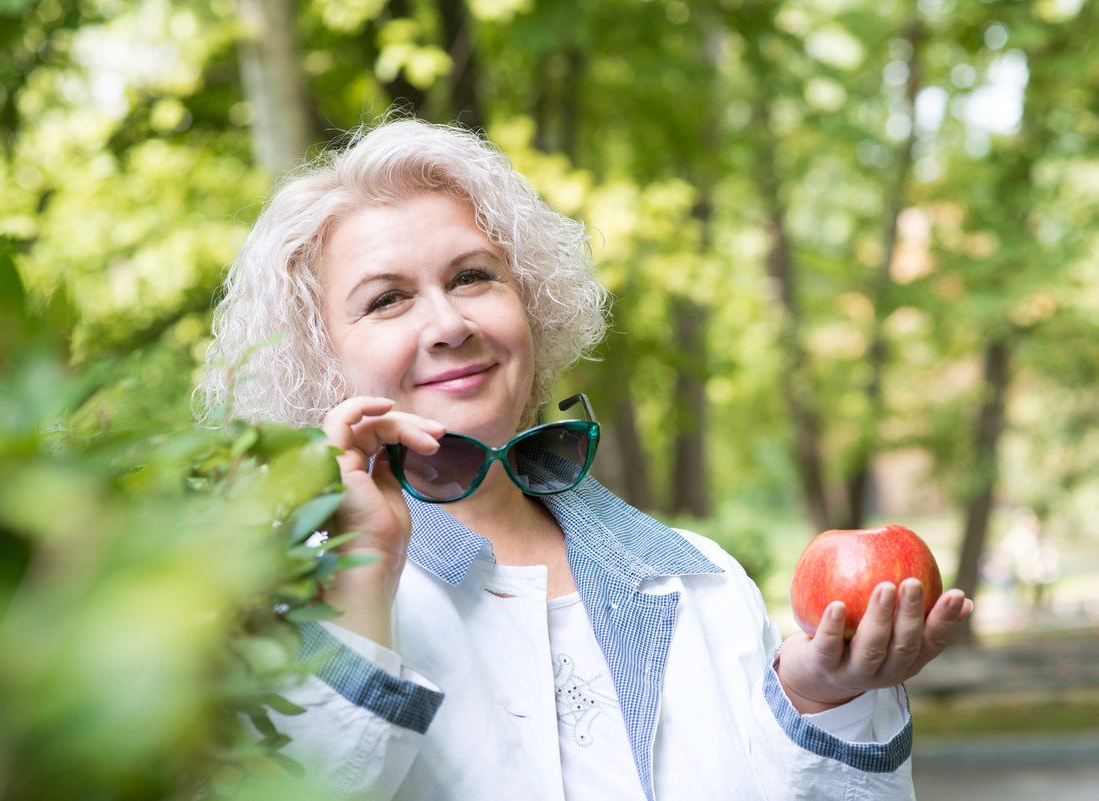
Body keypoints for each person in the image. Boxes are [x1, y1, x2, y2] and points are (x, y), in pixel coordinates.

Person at [197, 118, 973, 801]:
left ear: (531, 305)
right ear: (319, 362)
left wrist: (824, 698)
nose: (448, 323)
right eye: (386, 299)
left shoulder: (704, 578)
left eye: (473, 277)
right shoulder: (269, 604)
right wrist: (362, 575)